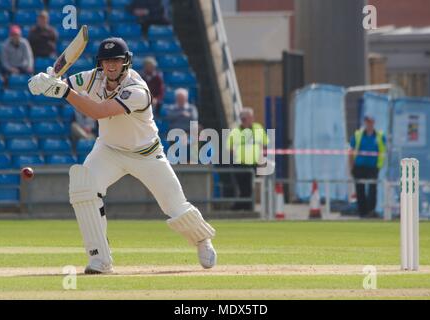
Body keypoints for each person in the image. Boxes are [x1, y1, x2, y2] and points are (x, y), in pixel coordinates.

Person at [27, 37, 216, 274]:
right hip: (109, 150)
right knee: (83, 187)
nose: (111, 65)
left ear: (126, 62)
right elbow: (67, 84)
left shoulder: (137, 90)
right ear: (100, 63)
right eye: (106, 61)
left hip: (146, 154)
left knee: (175, 205)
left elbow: (97, 111)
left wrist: (62, 91)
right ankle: (100, 259)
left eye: (116, 60)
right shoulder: (93, 76)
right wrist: (46, 81)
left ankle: (201, 239)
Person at [227, 108, 268, 210]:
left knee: (249, 187)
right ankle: (245, 207)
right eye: (245, 118)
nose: (251, 119)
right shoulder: (235, 131)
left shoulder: (258, 128)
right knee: (243, 187)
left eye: (250, 117)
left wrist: (262, 160)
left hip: (253, 164)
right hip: (240, 164)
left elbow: (264, 144)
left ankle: (242, 207)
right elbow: (229, 147)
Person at [349, 114, 386, 218]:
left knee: (372, 189)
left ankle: (371, 211)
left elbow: (383, 150)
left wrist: (379, 165)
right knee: (359, 189)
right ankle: (362, 212)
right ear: (364, 123)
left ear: (373, 123)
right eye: (367, 121)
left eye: (370, 121)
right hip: (359, 167)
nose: (369, 124)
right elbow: (351, 151)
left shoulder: (379, 136)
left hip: (373, 167)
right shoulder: (358, 134)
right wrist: (351, 167)